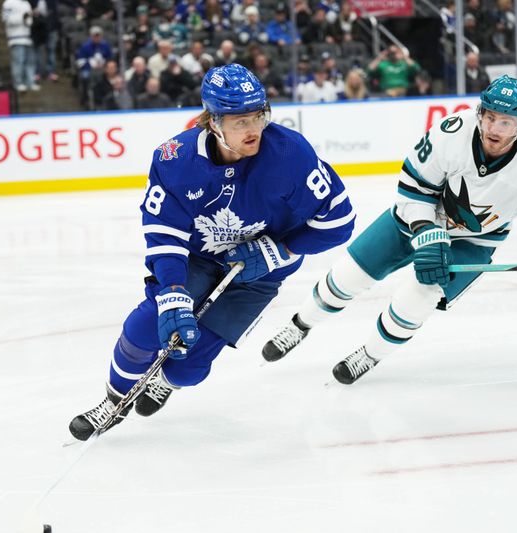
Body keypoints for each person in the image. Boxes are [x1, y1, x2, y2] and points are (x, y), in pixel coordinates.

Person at [68, 63, 356, 439]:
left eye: (258, 115)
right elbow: (164, 233)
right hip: (198, 259)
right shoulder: (175, 159)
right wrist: (172, 291)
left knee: (190, 367)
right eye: (240, 121)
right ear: (213, 122)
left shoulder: (290, 156)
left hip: (260, 275)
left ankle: (167, 383)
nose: (253, 129)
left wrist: (280, 251)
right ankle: (113, 400)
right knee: (145, 326)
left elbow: (340, 220)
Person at [261, 75, 517, 384]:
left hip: (474, 239)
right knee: (347, 276)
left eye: (506, 122)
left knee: (420, 297)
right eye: (489, 117)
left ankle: (369, 355)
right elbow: (414, 187)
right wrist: (427, 232)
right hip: (415, 219)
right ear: (480, 113)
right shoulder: (452, 131)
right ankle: (300, 324)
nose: (494, 128)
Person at [2, 0, 38, 92]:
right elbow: (6, 19)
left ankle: (30, 82)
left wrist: (30, 17)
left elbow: (29, 21)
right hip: (15, 38)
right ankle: (18, 83)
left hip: (28, 37)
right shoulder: (8, 3)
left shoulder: (26, 3)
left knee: (30, 61)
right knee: (18, 61)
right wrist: (23, 17)